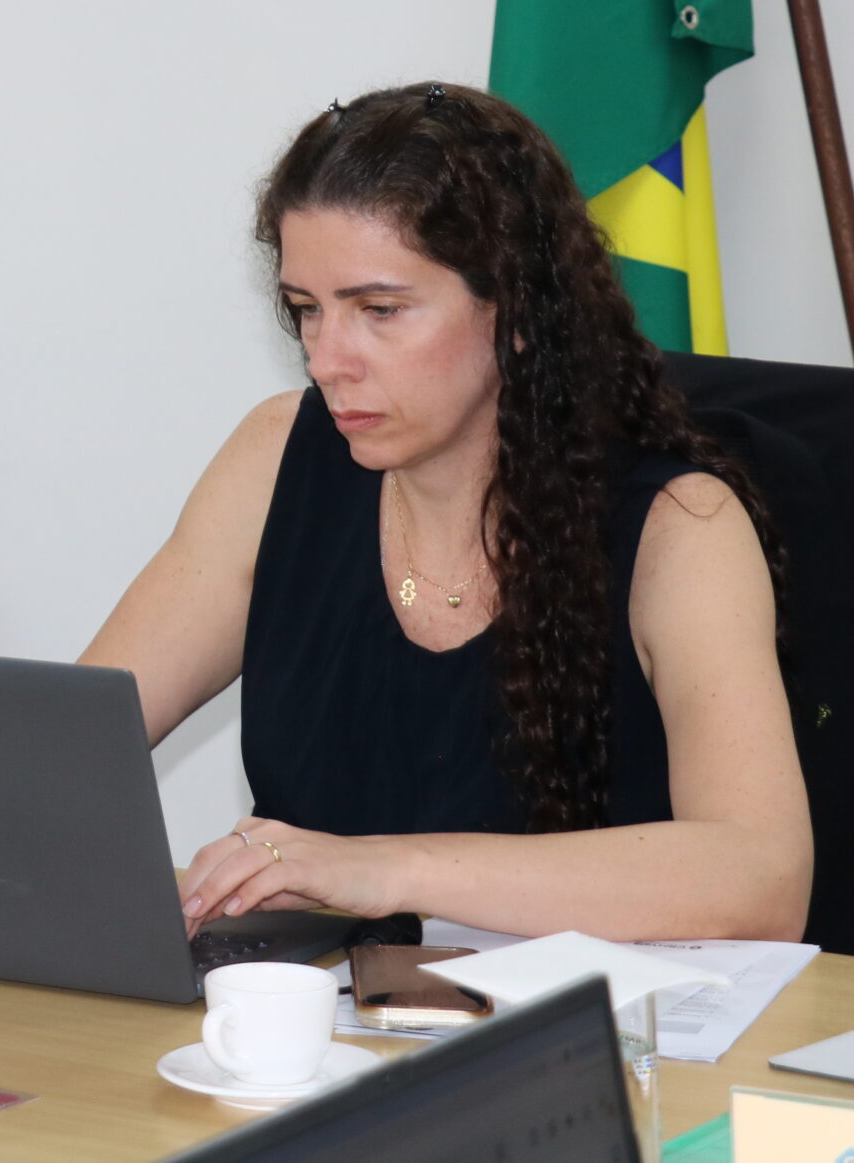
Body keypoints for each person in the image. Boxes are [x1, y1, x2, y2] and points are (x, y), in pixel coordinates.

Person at [82, 82, 810, 942]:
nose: (326, 360)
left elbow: (761, 877)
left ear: (517, 314)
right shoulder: (274, 460)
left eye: (379, 311)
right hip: (312, 1029)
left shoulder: (679, 524)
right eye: (307, 311)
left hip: (586, 1046)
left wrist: (387, 868)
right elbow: (69, 743)